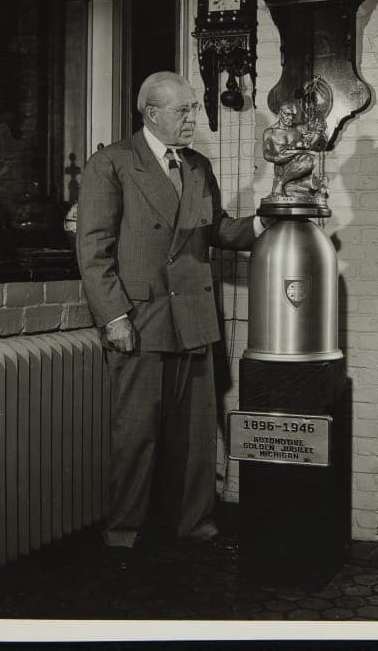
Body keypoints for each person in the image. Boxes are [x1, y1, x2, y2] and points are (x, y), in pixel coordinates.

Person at [77, 71, 265, 551]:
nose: (192, 118)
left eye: (194, 109)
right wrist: (114, 318)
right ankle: (123, 532)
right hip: (140, 320)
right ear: (151, 113)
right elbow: (94, 250)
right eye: (183, 110)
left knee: (196, 436)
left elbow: (217, 229)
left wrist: (267, 219)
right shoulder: (112, 163)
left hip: (195, 317)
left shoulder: (198, 166)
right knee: (136, 433)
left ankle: (195, 523)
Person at [262, 101, 327, 198]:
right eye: (287, 114)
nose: (291, 118)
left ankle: (281, 183)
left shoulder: (299, 128)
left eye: (293, 115)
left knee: (311, 160)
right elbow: (266, 153)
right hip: (282, 165)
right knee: (308, 160)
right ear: (280, 114)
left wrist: (318, 131)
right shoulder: (270, 132)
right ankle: (281, 183)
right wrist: (275, 158)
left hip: (302, 165)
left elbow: (315, 138)